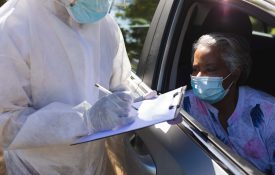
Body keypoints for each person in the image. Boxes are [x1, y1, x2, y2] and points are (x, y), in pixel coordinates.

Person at [0, 0, 137, 174]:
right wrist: (84, 121)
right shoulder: (12, 28)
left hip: (94, 165)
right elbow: (5, 122)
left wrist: (143, 108)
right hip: (35, 169)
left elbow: (119, 84)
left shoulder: (105, 24)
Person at [183, 33, 275, 174]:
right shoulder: (185, 103)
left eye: (210, 69)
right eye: (196, 69)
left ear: (235, 72)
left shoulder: (268, 112)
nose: (199, 77)